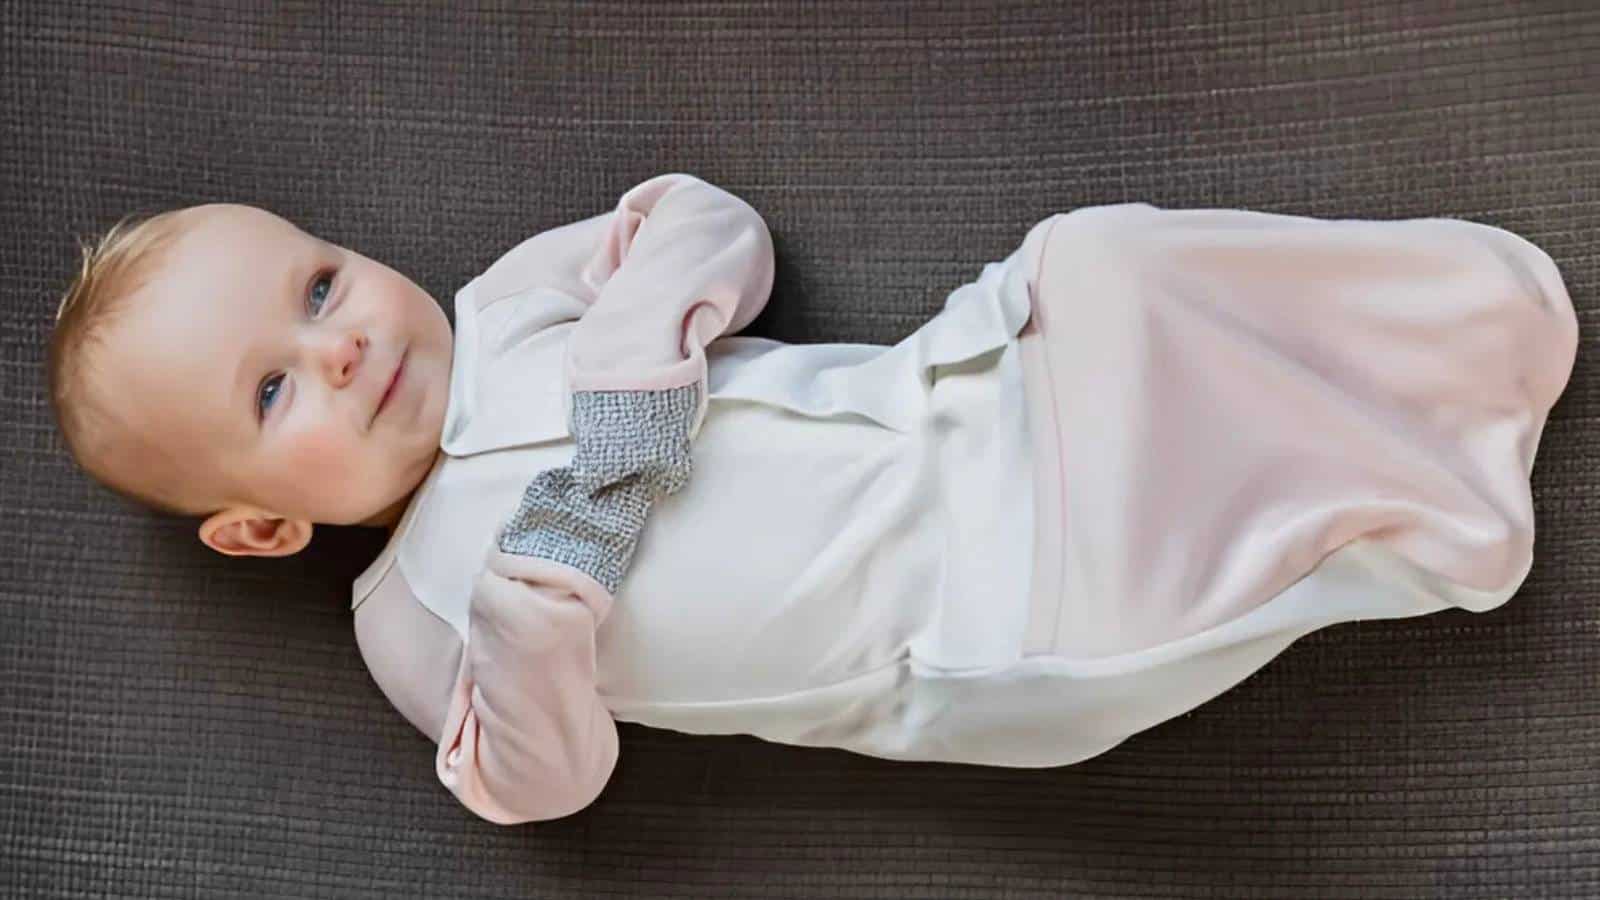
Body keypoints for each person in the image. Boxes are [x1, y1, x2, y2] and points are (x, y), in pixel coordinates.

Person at [46, 173, 1579, 825]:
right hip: (977, 631)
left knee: (1109, 264)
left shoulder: (510, 303)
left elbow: (706, 223)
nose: (346, 341)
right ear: (258, 528)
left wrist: (641, 352)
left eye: (318, 283)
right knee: (1216, 558)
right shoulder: (417, 617)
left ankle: (1454, 333)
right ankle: (1435, 525)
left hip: (970, 409)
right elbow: (538, 785)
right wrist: (533, 628)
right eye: (273, 390)